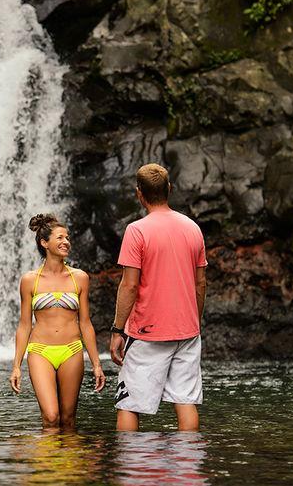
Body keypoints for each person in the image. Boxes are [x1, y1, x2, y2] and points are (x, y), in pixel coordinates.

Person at [109, 163, 208, 432]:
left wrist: (118, 329)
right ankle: (187, 468)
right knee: (186, 401)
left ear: (139, 193)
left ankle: (134, 469)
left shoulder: (137, 230)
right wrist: (192, 322)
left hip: (147, 332)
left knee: (129, 405)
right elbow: (200, 283)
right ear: (169, 190)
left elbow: (129, 286)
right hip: (187, 330)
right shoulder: (193, 228)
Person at [10, 214, 106, 429]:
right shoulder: (29, 280)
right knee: (51, 417)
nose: (66, 242)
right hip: (40, 351)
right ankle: (48, 463)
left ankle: (68, 463)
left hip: (71, 350)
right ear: (44, 243)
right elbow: (25, 325)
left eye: (68, 238)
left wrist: (97, 364)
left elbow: (86, 323)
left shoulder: (79, 278)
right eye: (60, 238)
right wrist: (16, 365)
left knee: (68, 418)